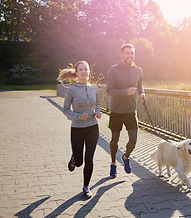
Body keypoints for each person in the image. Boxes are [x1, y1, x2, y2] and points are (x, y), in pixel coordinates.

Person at [57, 61, 101, 199]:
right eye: (81, 69)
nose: (84, 71)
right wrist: (78, 116)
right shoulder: (71, 90)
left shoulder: (94, 88)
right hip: (77, 129)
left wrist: (98, 112)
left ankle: (86, 186)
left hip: (93, 127)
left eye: (86, 69)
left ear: (89, 72)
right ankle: (74, 159)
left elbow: (98, 104)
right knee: (79, 162)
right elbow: (65, 109)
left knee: (89, 159)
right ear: (76, 73)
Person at [106, 44, 145, 178]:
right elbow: (109, 90)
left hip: (130, 111)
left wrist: (142, 93)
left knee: (133, 140)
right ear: (122, 55)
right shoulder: (114, 70)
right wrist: (125, 92)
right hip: (116, 111)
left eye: (132, 53)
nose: (130, 56)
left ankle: (126, 157)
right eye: (127, 53)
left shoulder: (138, 70)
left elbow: (140, 85)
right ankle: (113, 164)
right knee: (114, 140)